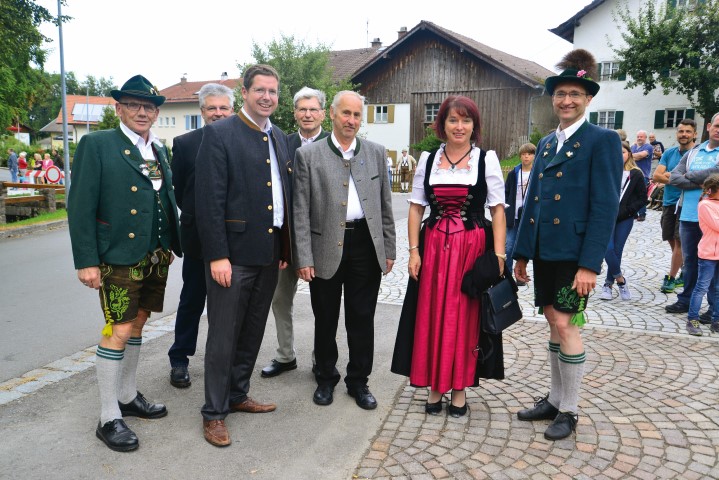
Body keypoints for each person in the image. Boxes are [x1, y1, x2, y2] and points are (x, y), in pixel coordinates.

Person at [67, 74, 181, 452]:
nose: (142, 112)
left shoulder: (158, 148)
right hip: (117, 255)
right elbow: (80, 205)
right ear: (119, 109)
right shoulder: (98, 144)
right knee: (117, 329)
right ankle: (108, 416)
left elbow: (164, 198)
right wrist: (86, 261)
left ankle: (128, 395)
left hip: (155, 254)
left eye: (149, 106)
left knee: (139, 322)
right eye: (134, 105)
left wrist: (171, 241)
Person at [513, 49, 622, 441]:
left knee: (566, 323)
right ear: (553, 98)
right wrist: (521, 253)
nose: (566, 100)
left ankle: (570, 410)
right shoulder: (546, 144)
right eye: (560, 93)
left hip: (576, 255)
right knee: (551, 321)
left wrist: (590, 264)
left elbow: (606, 206)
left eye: (575, 93)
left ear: (588, 98)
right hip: (545, 251)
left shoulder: (602, 140)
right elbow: (533, 203)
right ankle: (555, 399)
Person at [391, 95, 506, 418]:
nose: (459, 126)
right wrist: (413, 251)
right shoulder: (428, 160)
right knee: (431, 313)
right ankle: (434, 385)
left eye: (466, 120)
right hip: (434, 248)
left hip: (471, 249)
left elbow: (498, 210)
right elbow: (416, 208)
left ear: (474, 126)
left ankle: (458, 387)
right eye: (453, 120)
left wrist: (499, 255)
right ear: (441, 124)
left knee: (464, 316)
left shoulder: (486, 159)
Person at [195, 64, 292, 447]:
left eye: (273, 91)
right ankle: (214, 413)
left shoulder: (279, 136)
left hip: (268, 253)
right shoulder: (220, 134)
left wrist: (284, 247)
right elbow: (209, 200)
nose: (267, 97)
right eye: (260, 90)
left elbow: (282, 194)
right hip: (232, 257)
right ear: (246, 93)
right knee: (223, 336)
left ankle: (237, 394)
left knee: (252, 329)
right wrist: (217, 255)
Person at [293, 90, 396, 411]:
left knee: (362, 318)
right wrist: (303, 256)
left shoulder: (376, 153)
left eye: (356, 115)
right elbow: (300, 211)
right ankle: (325, 377)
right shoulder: (308, 155)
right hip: (325, 245)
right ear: (333, 115)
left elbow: (385, 205)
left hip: (365, 244)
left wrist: (389, 248)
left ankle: (358, 381)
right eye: (346, 113)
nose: (351, 120)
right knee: (325, 318)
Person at [167, 83, 235, 388]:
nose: (218, 113)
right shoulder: (185, 144)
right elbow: (179, 191)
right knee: (192, 300)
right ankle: (179, 359)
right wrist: (201, 217)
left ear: (232, 110)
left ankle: (225, 361)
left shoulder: (243, 140)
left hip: (236, 239)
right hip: (197, 239)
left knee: (230, 306)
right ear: (202, 111)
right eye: (212, 108)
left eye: (223, 108)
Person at [261, 86, 329, 378]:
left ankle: (321, 359)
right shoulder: (280, 143)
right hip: (286, 237)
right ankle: (285, 355)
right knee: (280, 299)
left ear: (323, 114)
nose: (307, 114)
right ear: (294, 113)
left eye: (313, 109)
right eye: (302, 109)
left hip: (321, 238)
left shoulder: (334, 144)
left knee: (323, 304)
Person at [668, 112, 719, 333]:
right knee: (689, 262)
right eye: (717, 125)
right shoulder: (694, 152)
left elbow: (715, 174)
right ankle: (686, 300)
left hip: (714, 220)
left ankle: (713, 310)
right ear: (709, 126)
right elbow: (673, 177)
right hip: (688, 215)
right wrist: (703, 181)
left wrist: (689, 176)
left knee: (713, 266)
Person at [652, 119, 697, 294]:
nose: (684, 134)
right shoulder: (669, 153)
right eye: (681, 131)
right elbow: (656, 176)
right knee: (671, 239)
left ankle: (671, 278)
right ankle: (685, 270)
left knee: (679, 241)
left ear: (694, 134)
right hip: (669, 202)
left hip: (686, 203)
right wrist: (681, 178)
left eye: (688, 131)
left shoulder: (697, 154)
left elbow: (697, 178)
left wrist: (670, 177)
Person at [599, 141, 647, 301]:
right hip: (606, 216)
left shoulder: (636, 173)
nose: (619, 155)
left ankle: (608, 284)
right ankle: (620, 280)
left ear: (629, 154)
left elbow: (642, 198)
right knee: (607, 248)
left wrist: (628, 211)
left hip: (624, 218)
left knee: (617, 250)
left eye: (623, 152)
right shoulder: (606, 171)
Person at [687, 173, 719, 336]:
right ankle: (692, 320)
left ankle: (716, 320)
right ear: (714, 190)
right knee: (701, 287)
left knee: (718, 289)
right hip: (708, 254)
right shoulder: (705, 205)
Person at [505, 142, 535, 286]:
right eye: (523, 154)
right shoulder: (514, 173)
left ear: (534, 156)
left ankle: (520, 276)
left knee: (524, 247)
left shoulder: (537, 173)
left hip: (529, 217)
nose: (526, 157)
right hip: (514, 217)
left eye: (529, 154)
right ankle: (507, 277)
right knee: (509, 247)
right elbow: (506, 192)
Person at [631, 130, 653, 221]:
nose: (639, 138)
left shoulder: (648, 147)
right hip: (632, 173)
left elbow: (641, 155)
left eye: (641, 137)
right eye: (638, 137)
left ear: (645, 138)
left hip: (643, 175)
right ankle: (634, 213)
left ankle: (642, 214)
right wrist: (634, 156)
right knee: (631, 194)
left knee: (641, 195)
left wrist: (630, 155)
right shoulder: (633, 146)